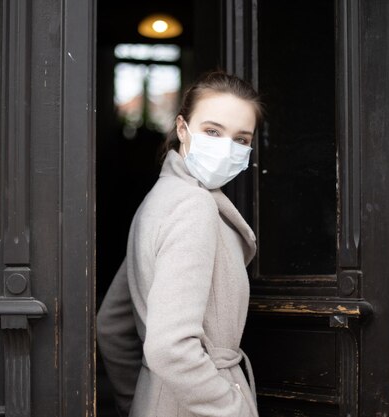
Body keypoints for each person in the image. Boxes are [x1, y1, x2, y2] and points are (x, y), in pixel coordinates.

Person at [97, 71, 263, 417]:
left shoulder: (159, 199)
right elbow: (170, 347)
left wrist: (143, 398)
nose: (227, 148)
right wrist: (234, 410)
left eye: (242, 139)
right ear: (183, 129)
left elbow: (111, 324)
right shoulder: (194, 206)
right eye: (213, 131)